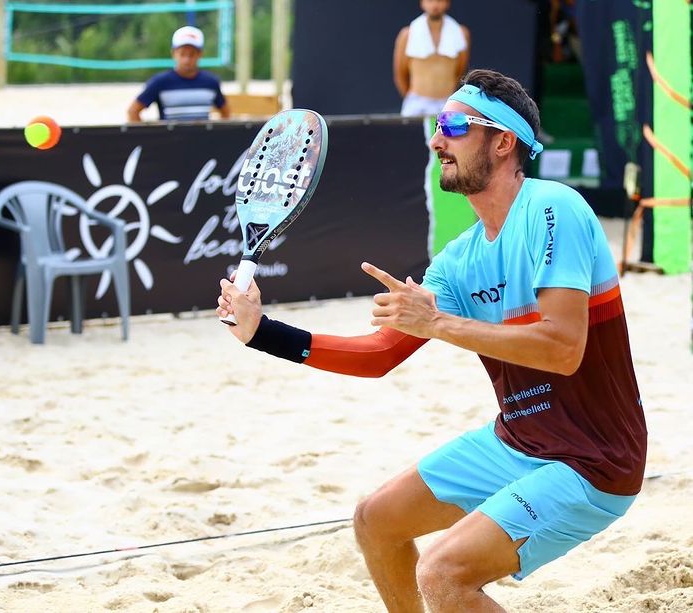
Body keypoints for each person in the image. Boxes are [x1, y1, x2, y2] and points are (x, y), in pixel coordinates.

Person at [217, 68, 647, 612]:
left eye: (452, 124)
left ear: (503, 140)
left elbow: (563, 349)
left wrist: (438, 323)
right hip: (519, 442)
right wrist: (264, 333)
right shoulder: (458, 259)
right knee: (376, 522)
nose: (436, 138)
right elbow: (377, 358)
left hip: (594, 461)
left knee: (443, 573)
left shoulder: (552, 208)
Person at [127, 26, 231, 123]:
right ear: (173, 53)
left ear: (200, 54)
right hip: (170, 141)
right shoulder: (160, 82)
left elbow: (226, 112)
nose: (187, 59)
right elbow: (133, 111)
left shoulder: (211, 82)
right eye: (182, 54)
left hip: (202, 141)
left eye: (192, 54)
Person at [393, 0, 470, 117]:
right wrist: (413, 97)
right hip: (416, 104)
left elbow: (460, 70)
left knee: (451, 135)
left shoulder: (460, 33)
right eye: (430, 0)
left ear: (447, 3)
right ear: (422, 3)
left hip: (447, 103)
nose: (435, 5)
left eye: (439, 1)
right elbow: (400, 73)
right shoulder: (407, 34)